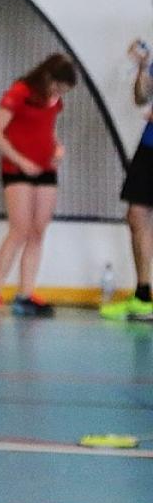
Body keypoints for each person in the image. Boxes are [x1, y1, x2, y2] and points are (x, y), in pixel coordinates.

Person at [0, 53, 79, 316]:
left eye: (63, 91)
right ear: (47, 77)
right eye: (57, 88)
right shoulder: (20, 92)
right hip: (17, 169)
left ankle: (26, 293)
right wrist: (20, 160)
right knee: (19, 230)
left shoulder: (55, 101)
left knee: (38, 231)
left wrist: (57, 148)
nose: (58, 94)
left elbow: (48, 130)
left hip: (46, 169)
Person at [102, 40, 153, 321]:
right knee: (136, 215)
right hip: (149, 148)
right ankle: (143, 296)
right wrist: (143, 68)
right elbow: (142, 98)